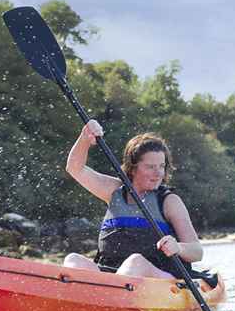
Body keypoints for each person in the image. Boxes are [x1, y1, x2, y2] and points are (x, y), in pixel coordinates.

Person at [64, 120, 203, 279]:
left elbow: (197, 251)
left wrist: (178, 247)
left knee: (135, 263)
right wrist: (85, 138)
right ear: (132, 167)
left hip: (159, 279)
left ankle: (111, 296)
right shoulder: (113, 191)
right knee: (73, 260)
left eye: (161, 166)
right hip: (112, 277)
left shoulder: (169, 201)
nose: (158, 173)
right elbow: (75, 168)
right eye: (150, 167)